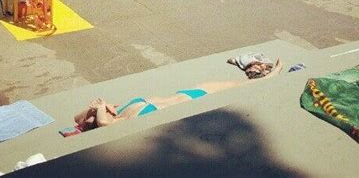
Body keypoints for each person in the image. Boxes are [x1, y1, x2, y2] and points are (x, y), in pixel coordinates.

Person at [74, 59, 282, 130]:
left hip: (184, 93)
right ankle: (267, 80)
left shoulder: (119, 110)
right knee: (228, 90)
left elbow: (79, 119)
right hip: (189, 102)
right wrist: (100, 110)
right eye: (97, 113)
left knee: (226, 84)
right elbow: (102, 124)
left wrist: (97, 107)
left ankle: (256, 78)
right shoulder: (117, 121)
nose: (103, 109)